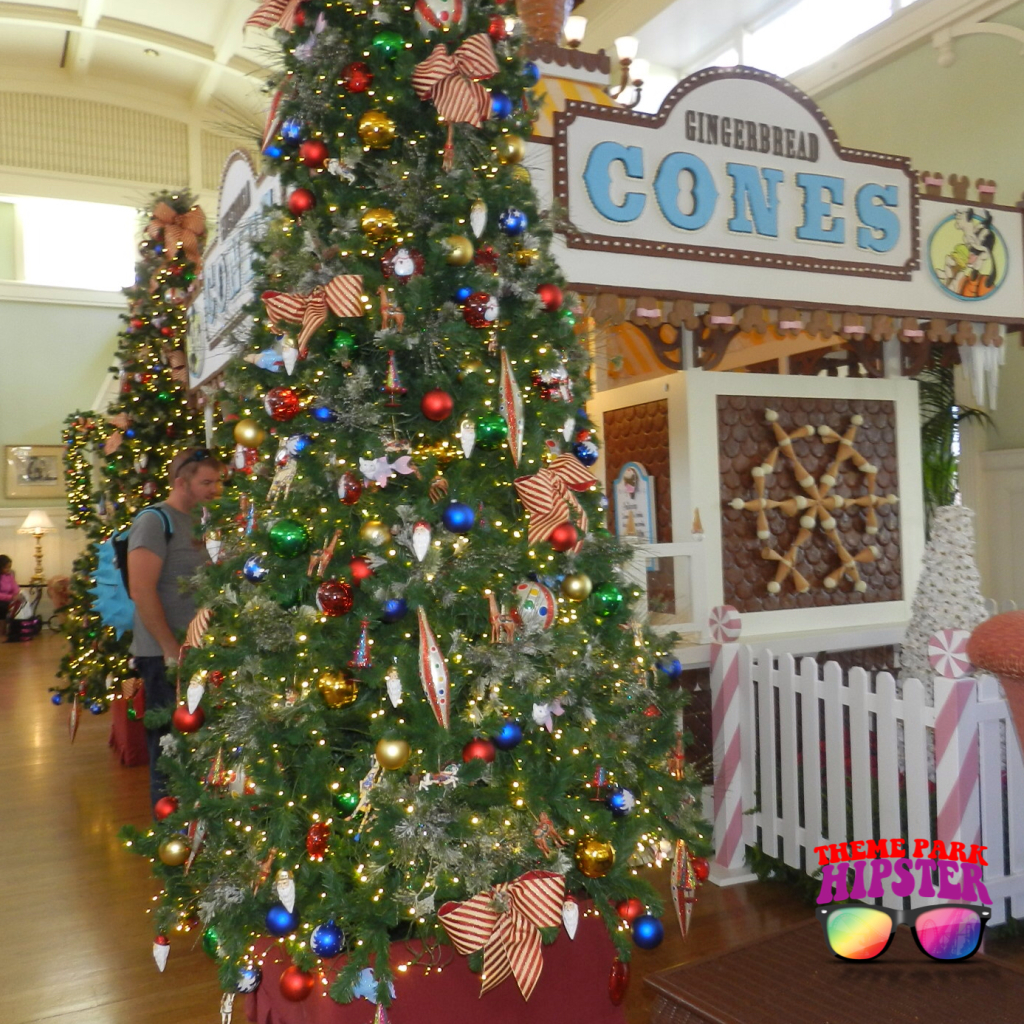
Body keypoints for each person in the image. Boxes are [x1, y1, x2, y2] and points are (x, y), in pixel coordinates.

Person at [128, 448, 222, 810]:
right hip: (164, 656)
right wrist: (170, 649)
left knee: (200, 747)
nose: (216, 489)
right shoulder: (155, 522)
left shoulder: (205, 521)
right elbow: (141, 589)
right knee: (169, 749)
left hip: (201, 651)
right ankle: (171, 835)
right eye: (207, 482)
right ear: (181, 482)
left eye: (219, 482)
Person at [0, 555, 20, 639]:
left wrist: (16, 595)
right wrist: (11, 597)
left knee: (19, 604)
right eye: (6, 568)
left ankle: (16, 629)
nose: (8, 570)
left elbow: (15, 587)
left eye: (9, 567)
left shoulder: (10, 576)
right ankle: (2, 631)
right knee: (2, 606)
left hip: (10, 599)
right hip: (2, 599)